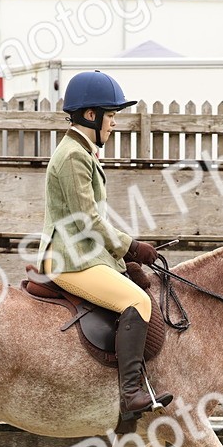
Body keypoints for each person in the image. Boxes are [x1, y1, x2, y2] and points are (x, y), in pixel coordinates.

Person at [38, 70, 173, 418]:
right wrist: (131, 248)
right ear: (90, 115)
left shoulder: (83, 152)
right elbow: (87, 219)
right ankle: (130, 393)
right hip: (69, 260)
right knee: (137, 301)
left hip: (84, 254)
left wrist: (119, 261)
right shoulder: (73, 156)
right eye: (111, 116)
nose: (114, 123)